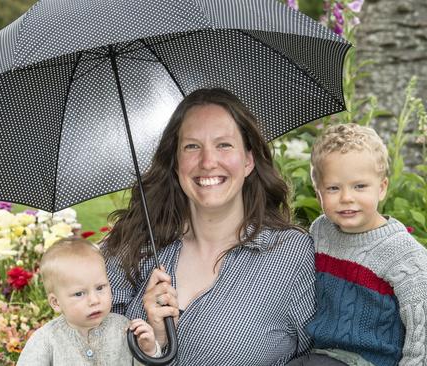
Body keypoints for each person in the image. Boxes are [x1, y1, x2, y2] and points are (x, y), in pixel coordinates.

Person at [103, 88, 316, 365]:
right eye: (192, 146)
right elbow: (86, 350)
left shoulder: (291, 255)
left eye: (224, 145)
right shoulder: (135, 246)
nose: (207, 162)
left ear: (249, 160)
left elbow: (324, 355)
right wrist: (156, 341)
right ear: (176, 163)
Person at [288, 123, 427, 366]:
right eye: (333, 188)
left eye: (359, 186)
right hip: (321, 355)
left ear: (382, 188)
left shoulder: (403, 255)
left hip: (373, 360)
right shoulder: (321, 231)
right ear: (318, 194)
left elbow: (426, 324)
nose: (346, 197)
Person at [18, 238, 161, 365]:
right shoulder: (46, 339)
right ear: (56, 302)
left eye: (100, 288)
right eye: (79, 294)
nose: (94, 300)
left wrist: (148, 352)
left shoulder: (124, 329)